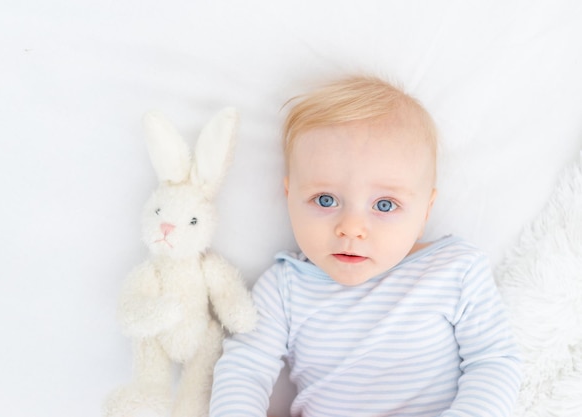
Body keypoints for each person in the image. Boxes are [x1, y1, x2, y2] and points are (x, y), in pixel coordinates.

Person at [209, 75, 522, 417]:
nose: (351, 229)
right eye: (325, 199)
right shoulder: (283, 288)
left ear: (425, 212)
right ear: (289, 198)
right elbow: (244, 370)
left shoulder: (455, 271)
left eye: (385, 205)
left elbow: (494, 362)